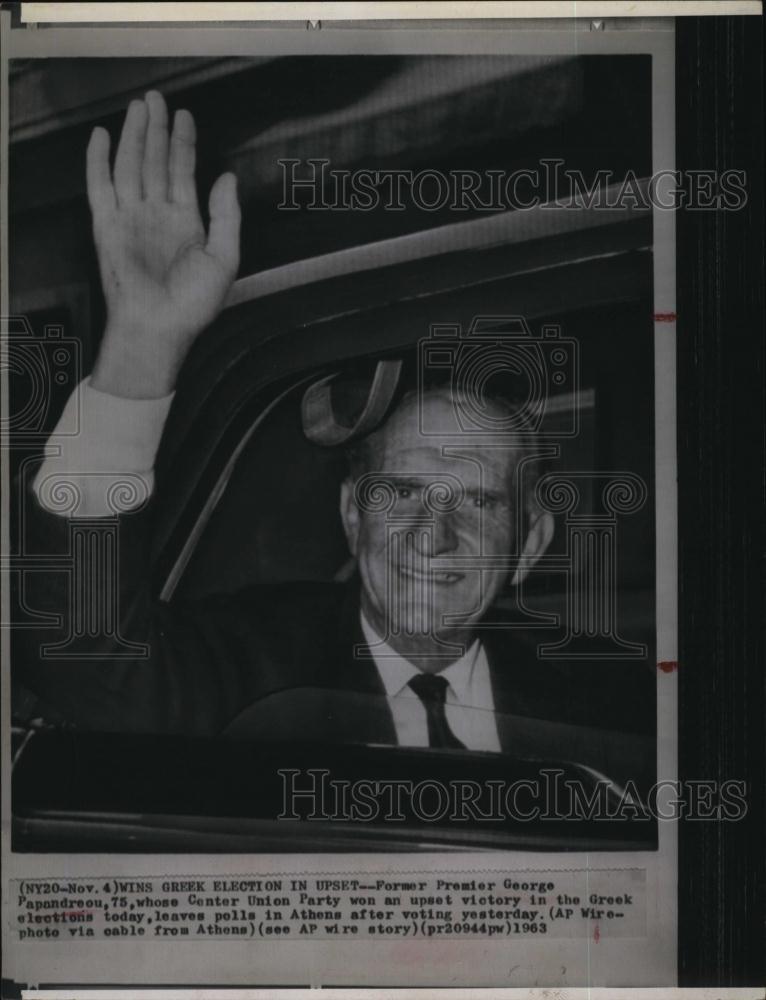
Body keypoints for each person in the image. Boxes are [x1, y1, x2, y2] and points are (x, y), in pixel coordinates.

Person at [15, 93, 651, 782]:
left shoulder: (611, 701)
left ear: (530, 545)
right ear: (352, 515)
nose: (431, 536)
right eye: (401, 491)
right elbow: (84, 654)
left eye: (478, 503)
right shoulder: (254, 666)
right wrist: (144, 342)